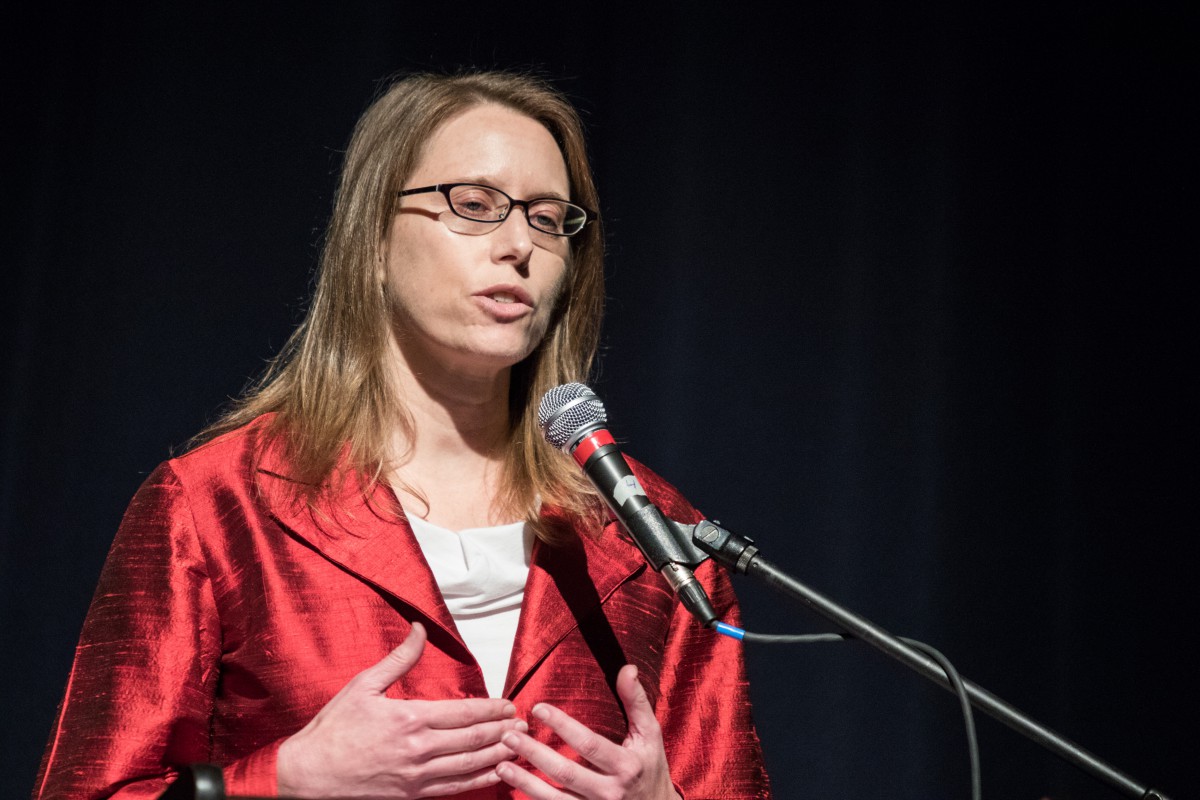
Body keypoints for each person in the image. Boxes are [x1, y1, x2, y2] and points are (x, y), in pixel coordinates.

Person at [33, 71, 770, 800]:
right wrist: (284, 782)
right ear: (374, 241)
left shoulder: (656, 540)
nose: (519, 244)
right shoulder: (214, 507)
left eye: (549, 219)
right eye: (475, 205)